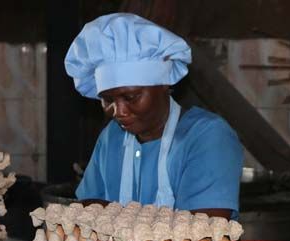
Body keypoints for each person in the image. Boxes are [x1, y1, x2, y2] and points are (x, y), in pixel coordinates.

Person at [65, 13, 243, 219]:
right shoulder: (111, 138)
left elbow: (203, 232)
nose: (119, 111)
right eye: (107, 99)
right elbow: (85, 211)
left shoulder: (207, 137)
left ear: (164, 83)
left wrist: (112, 217)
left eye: (131, 97)